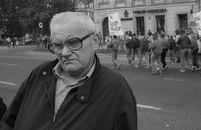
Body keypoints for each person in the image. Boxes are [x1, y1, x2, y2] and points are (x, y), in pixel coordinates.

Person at [0, 12, 137, 130]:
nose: (64, 53)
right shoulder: (39, 74)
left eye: (73, 42)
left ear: (94, 41)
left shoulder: (116, 88)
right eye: (58, 45)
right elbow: (9, 122)